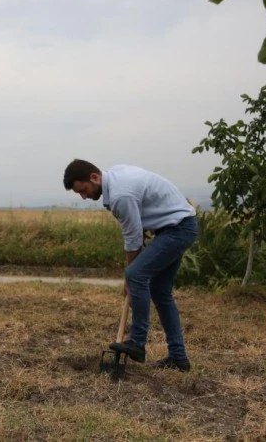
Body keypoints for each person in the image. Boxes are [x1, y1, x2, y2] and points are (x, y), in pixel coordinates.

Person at [63, 159, 197, 372]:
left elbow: (133, 239)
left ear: (94, 178)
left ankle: (137, 343)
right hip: (174, 227)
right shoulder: (114, 178)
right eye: (79, 193)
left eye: (84, 190)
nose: (84, 197)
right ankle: (178, 357)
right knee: (160, 292)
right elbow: (138, 222)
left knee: (136, 274)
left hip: (177, 229)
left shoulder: (120, 195)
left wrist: (130, 281)